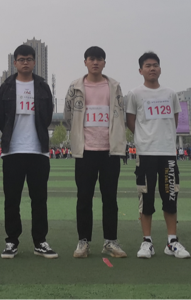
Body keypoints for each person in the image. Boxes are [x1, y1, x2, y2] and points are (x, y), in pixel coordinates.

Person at [125, 52, 191, 260]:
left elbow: (174, 119)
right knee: (146, 198)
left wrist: (164, 138)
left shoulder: (170, 94)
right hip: (145, 153)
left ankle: (172, 242)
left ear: (160, 69)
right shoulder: (134, 94)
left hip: (167, 153)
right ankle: (147, 242)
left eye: (155, 65)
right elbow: (130, 121)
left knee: (170, 197)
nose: (152, 68)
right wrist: (144, 138)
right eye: (147, 65)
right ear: (140, 70)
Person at [0, 43, 58, 259]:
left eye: (29, 59)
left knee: (39, 199)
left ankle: (40, 241)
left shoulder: (42, 86)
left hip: (38, 151)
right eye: (21, 59)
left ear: (34, 62)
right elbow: (0, 117)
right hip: (12, 151)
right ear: (15, 63)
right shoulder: (6, 87)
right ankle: (11, 241)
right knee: (12, 200)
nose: (25, 63)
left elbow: (47, 115)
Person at [64, 46, 127, 259]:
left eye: (99, 59)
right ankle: (83, 242)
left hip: (110, 151)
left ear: (104, 63)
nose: (95, 62)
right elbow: (68, 115)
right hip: (85, 151)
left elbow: (120, 113)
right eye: (91, 59)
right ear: (85, 62)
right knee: (84, 198)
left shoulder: (114, 86)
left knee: (110, 199)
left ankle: (110, 241)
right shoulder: (75, 86)